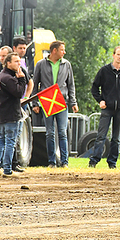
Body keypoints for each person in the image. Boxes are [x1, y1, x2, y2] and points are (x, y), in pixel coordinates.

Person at [31, 40, 78, 168]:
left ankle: (64, 162)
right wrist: (35, 103)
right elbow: (35, 85)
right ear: (54, 51)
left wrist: (73, 102)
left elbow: (71, 85)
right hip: (47, 100)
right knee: (50, 132)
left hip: (61, 101)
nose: (65, 52)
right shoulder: (41, 64)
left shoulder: (67, 64)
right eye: (62, 50)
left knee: (62, 131)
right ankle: (51, 162)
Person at [88, 46, 120, 169]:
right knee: (101, 136)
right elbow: (94, 88)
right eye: (118, 54)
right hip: (107, 108)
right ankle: (94, 161)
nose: (119, 57)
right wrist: (100, 100)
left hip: (119, 109)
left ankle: (112, 162)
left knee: (116, 138)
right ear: (113, 55)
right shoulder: (104, 71)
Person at [0, 52, 27, 177]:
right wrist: (21, 79)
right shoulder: (8, 78)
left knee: (0, 140)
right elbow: (19, 93)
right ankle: (7, 170)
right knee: (10, 141)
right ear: (8, 63)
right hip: (10, 114)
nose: (19, 63)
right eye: (16, 61)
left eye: (19, 61)